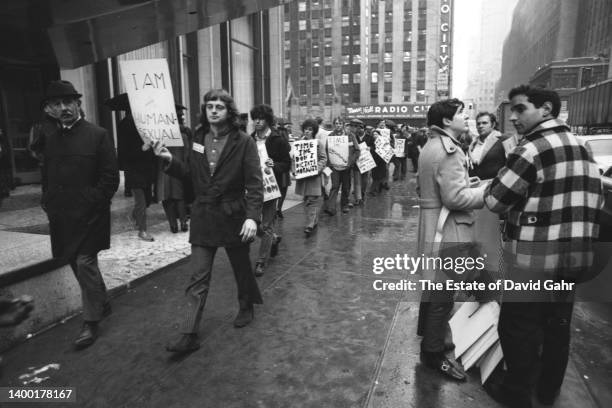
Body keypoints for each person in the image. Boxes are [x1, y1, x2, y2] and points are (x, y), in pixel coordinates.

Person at [483, 85, 603, 408]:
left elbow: (495, 199)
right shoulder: (583, 147)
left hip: (533, 260)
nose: (513, 116)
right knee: (557, 326)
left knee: (518, 327)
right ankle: (547, 391)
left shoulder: (531, 149)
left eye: (521, 109)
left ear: (546, 109)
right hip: (573, 259)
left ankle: (517, 393)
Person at [152, 89, 263, 353]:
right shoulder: (198, 137)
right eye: (209, 106)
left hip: (233, 214)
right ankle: (189, 333)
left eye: (219, 107)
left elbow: (255, 184)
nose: (213, 110)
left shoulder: (243, 141)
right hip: (203, 215)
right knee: (198, 275)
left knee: (241, 267)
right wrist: (170, 161)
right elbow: (189, 173)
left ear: (229, 112)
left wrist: (252, 218)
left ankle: (246, 305)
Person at [38, 80, 119, 349]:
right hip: (62, 215)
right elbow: (47, 176)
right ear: (50, 109)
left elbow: (109, 178)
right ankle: (101, 299)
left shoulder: (98, 135)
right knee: (73, 260)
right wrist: (47, 200)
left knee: (85, 262)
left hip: (91, 214)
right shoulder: (49, 140)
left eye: (69, 102)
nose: (64, 108)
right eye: (57, 104)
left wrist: (93, 200)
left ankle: (91, 322)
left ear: (78, 104)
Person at [416, 98, 489, 381]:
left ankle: (433, 341)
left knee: (437, 288)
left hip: (435, 224)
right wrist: (486, 193)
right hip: (449, 228)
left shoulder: (433, 145)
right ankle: (433, 352)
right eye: (462, 113)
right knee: (444, 294)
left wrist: (467, 184)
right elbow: (455, 198)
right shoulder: (449, 151)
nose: (466, 116)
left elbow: (441, 189)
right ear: (447, 121)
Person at [250, 104, 291, 277]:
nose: (257, 121)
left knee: (266, 224)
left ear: (268, 120)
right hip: (252, 188)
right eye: (255, 118)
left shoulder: (278, 139)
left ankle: (261, 261)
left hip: (271, 187)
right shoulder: (249, 139)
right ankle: (272, 239)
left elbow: (286, 163)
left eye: (260, 118)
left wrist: (275, 165)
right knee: (249, 221)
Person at [117, 109, 157, 242]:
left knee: (147, 201)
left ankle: (135, 216)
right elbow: (124, 151)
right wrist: (142, 149)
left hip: (147, 169)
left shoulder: (147, 121)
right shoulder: (125, 124)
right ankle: (142, 231)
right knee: (141, 202)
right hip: (134, 170)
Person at [157, 105, 192, 233]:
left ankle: (173, 225)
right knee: (179, 197)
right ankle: (183, 222)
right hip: (179, 169)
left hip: (164, 171)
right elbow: (188, 155)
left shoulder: (160, 136)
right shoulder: (184, 135)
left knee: (167, 199)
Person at [294, 119, 327, 235]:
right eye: (305, 129)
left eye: (310, 129)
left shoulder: (318, 143)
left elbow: (323, 158)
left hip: (314, 177)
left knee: (312, 200)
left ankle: (310, 224)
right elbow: (294, 159)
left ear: (314, 131)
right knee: (306, 200)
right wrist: (294, 170)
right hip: (303, 178)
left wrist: (317, 169)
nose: (307, 131)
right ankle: (314, 220)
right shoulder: (299, 143)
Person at [323, 117, 360, 215]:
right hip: (334, 167)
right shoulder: (330, 136)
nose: (338, 125)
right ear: (334, 125)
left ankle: (344, 205)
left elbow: (357, 150)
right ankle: (331, 207)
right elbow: (326, 151)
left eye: (340, 123)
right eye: (336, 123)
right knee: (334, 186)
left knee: (346, 187)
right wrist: (328, 166)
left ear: (343, 124)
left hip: (347, 167)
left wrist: (350, 162)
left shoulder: (350, 136)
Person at [468, 112, 513, 180]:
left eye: (484, 123)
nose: (480, 126)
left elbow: (514, 165)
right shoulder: (473, 143)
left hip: (495, 186)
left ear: (493, 124)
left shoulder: (505, 139)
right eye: (478, 124)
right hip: (475, 186)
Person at [346, 118, 367, 206]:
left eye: (357, 127)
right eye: (353, 126)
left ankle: (358, 198)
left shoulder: (357, 136)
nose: (355, 128)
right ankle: (349, 199)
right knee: (347, 182)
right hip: (347, 161)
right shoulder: (347, 135)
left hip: (357, 162)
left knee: (357, 181)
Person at [274, 118, 292, 219]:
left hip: (276, 165)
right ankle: (278, 208)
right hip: (284, 165)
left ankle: (275, 209)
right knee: (283, 189)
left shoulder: (273, 133)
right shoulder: (284, 133)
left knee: (276, 189)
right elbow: (288, 148)